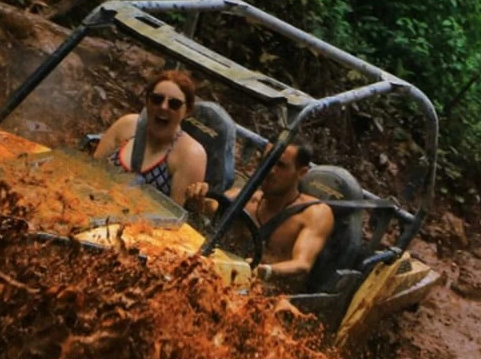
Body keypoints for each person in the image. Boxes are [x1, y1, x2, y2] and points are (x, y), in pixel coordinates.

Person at [186, 143, 334, 290]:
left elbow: (302, 264)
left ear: (301, 172)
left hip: (269, 297)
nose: (270, 170)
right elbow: (210, 208)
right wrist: (198, 198)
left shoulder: (314, 213)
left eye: (280, 165)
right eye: (267, 161)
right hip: (221, 281)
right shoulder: (244, 198)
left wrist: (265, 270)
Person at [93, 70, 208, 206]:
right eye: (157, 99)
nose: (163, 107)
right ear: (147, 102)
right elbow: (91, 169)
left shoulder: (190, 154)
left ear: (187, 111)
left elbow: (173, 218)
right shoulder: (127, 125)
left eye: (174, 104)